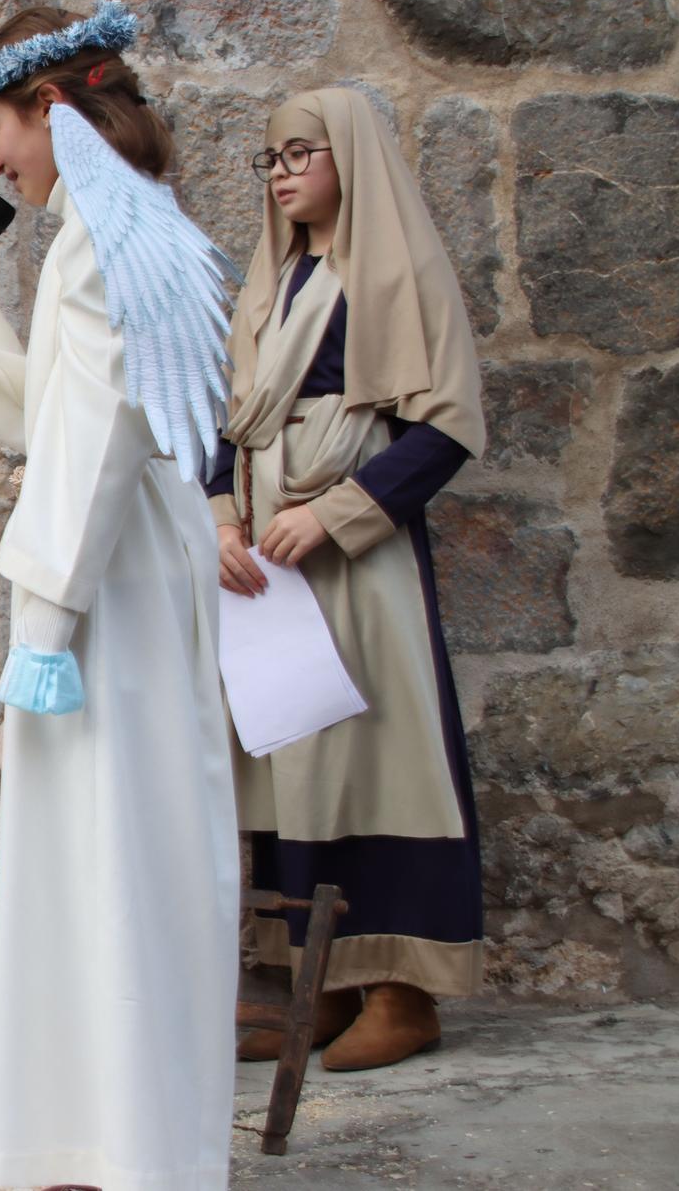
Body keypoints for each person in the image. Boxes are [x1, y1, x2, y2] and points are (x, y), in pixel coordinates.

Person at [0, 1, 240, 1190]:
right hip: (104, 569)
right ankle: (92, 1136)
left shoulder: (105, 237)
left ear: (53, 108)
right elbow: (60, 415)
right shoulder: (101, 230)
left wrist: (44, 624)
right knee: (90, 863)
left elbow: (97, 441)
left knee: (120, 858)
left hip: (104, 593)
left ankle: (132, 1147)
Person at [210, 88, 487, 1071]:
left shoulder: (392, 273)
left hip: (351, 563)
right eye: (270, 158)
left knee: (375, 758)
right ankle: (314, 983)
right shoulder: (270, 282)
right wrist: (222, 515)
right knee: (291, 761)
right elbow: (228, 416)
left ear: (349, 160)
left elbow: (445, 425)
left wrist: (330, 516)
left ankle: (400, 991)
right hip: (265, 568)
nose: (281, 172)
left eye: (299, 154)